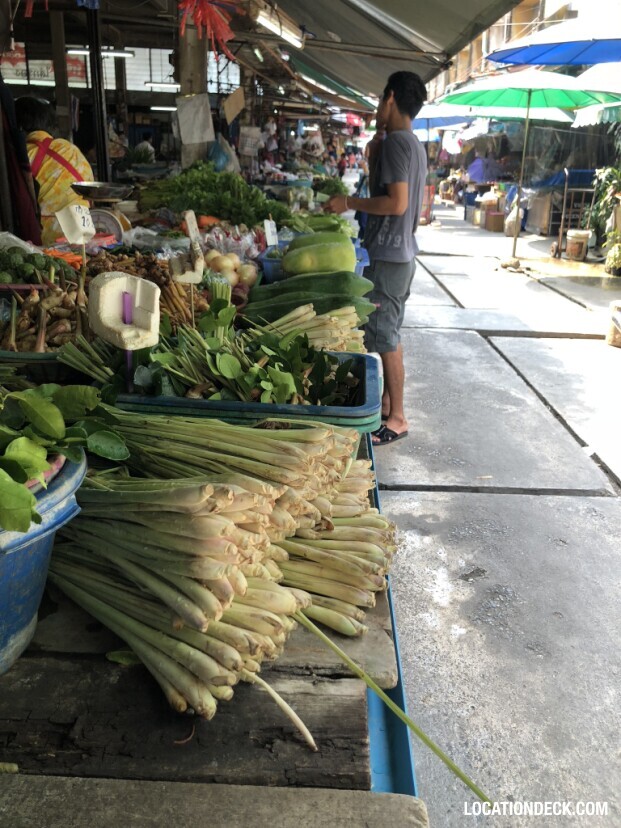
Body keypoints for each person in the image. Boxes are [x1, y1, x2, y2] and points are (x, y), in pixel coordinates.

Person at [325, 71, 427, 446]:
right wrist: (373, 156)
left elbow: (397, 202)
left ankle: (398, 417)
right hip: (400, 253)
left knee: (386, 337)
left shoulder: (399, 143)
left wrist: (348, 202)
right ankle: (387, 402)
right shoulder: (410, 143)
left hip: (389, 256)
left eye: (379, 100)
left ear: (390, 98)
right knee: (389, 331)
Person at [14, 96, 94, 246]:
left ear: (18, 125)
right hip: (85, 235)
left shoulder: (24, 155)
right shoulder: (71, 149)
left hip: (48, 242)